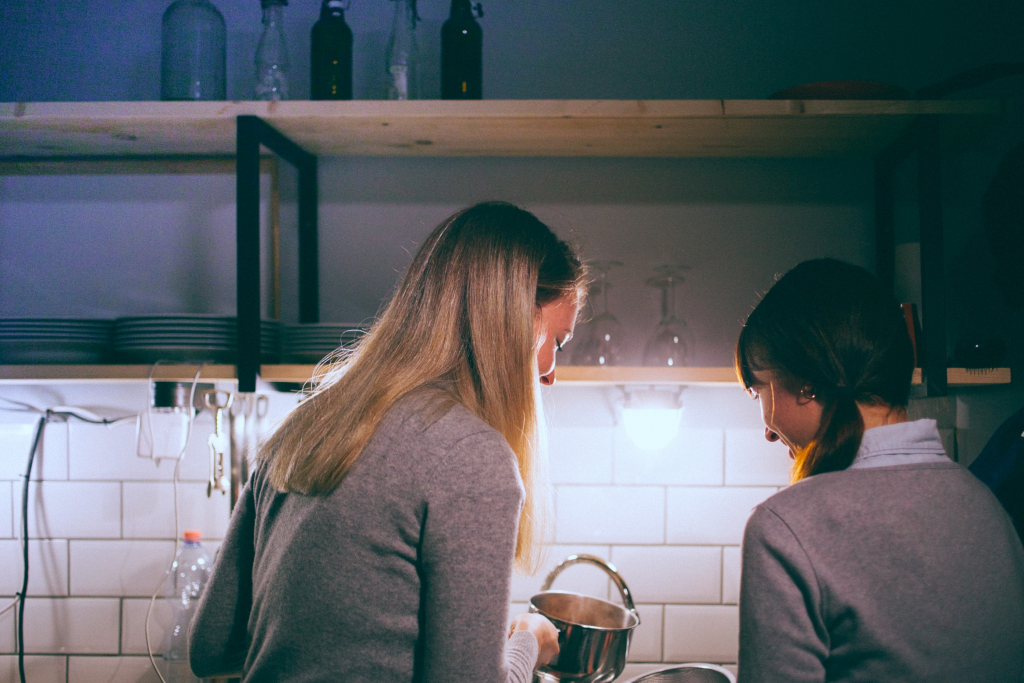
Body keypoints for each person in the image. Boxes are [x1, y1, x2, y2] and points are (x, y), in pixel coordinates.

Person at [189, 202, 582, 682]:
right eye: (556, 344)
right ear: (515, 320)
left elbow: (209, 648)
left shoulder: (304, 428)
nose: (551, 376)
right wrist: (530, 643)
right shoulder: (469, 456)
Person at [734, 258, 1024, 683]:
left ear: (807, 383)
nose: (767, 433)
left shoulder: (784, 528)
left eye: (756, 390)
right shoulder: (986, 506)